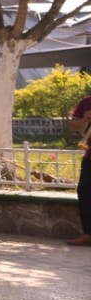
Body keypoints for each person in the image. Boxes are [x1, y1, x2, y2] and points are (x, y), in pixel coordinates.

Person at [68, 93, 91, 246]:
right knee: (85, 192)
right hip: (90, 156)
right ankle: (88, 233)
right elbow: (73, 125)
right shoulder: (86, 102)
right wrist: (85, 119)